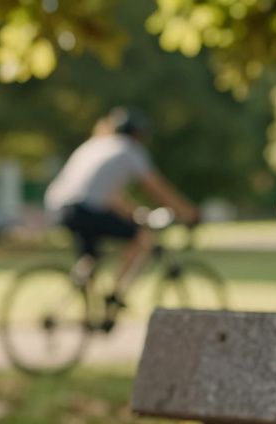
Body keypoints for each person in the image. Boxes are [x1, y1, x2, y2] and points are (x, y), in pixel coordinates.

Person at [44, 107, 199, 312]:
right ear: (138, 134)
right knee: (141, 238)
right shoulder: (129, 150)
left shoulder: (95, 145)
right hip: (85, 209)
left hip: (62, 207)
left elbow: (108, 195)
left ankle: (67, 307)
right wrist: (189, 213)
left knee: (91, 259)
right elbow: (158, 189)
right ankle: (115, 294)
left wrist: (136, 213)